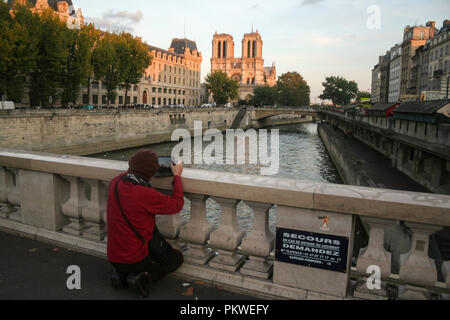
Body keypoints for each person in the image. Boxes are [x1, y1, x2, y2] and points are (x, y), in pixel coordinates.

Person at [106, 149, 184, 297]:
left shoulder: (115, 182)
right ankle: (141, 277)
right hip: (135, 259)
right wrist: (177, 176)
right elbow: (177, 204)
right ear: (151, 172)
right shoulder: (144, 193)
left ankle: (120, 275)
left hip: (113, 257)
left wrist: (146, 169)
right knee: (175, 259)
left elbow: (133, 174)